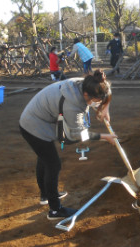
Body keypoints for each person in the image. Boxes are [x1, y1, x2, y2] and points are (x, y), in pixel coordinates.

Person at [19, 70, 117, 220]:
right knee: (53, 164)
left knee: (44, 158)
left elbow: (106, 91)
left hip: (39, 118)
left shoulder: (88, 83)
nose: (96, 104)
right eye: (95, 101)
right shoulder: (73, 105)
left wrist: (105, 108)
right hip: (33, 126)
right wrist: (104, 137)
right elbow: (79, 134)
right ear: (86, 96)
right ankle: (55, 210)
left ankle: (45, 195)